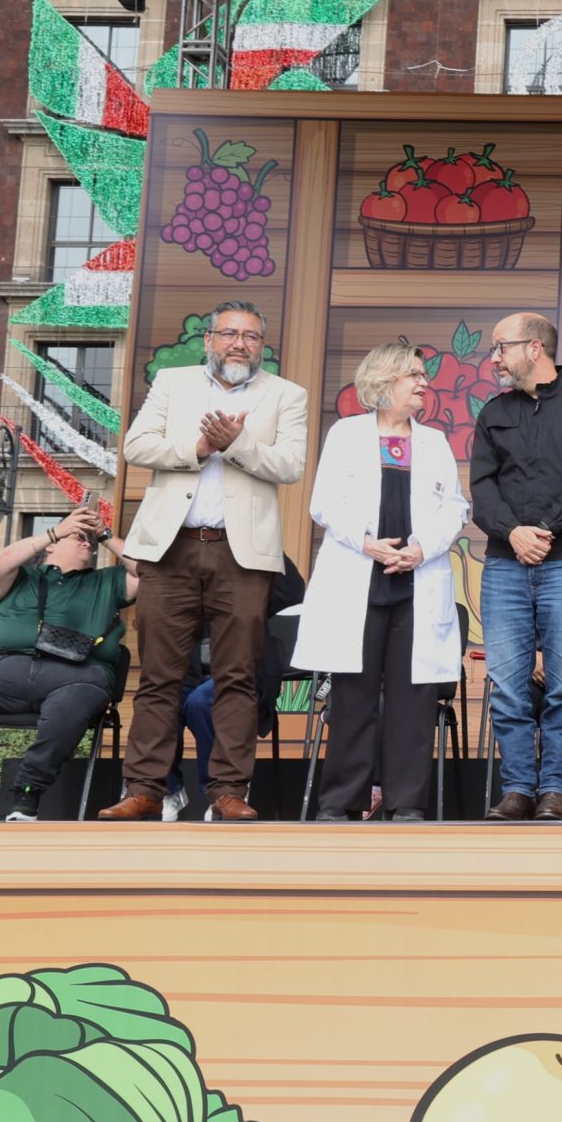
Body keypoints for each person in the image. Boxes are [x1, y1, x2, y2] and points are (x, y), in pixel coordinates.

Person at [104, 299, 310, 822]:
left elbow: (289, 465)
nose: (240, 343)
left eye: (252, 337)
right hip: (169, 547)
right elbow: (136, 445)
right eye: (230, 334)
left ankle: (227, 792)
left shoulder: (287, 395)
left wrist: (237, 443)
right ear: (209, 340)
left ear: (262, 346)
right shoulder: (174, 384)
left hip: (242, 556)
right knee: (158, 676)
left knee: (237, 677)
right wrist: (197, 446)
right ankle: (145, 788)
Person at [292, 342, 470, 823]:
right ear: (384, 380)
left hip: (416, 580)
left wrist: (421, 549)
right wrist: (367, 542)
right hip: (358, 577)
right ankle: (340, 801)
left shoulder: (433, 441)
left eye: (423, 375)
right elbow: (323, 503)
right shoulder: (347, 434)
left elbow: (455, 507)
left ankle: (405, 802)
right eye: (413, 374)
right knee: (353, 697)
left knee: (414, 700)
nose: (423, 383)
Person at [469, 311, 562, 822]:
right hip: (505, 564)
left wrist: (543, 532)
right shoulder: (493, 413)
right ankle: (517, 790)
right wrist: (513, 532)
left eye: (500, 348)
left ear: (535, 348)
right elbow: (482, 487)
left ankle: (553, 790)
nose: (494, 359)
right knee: (509, 685)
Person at [0, 506, 137, 822]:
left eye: (92, 541)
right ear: (51, 544)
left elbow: (149, 573)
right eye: (79, 537)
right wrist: (57, 530)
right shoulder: (22, 577)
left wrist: (104, 533)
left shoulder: (107, 581)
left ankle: (28, 791)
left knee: (71, 703)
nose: (88, 543)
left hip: (77, 675)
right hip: (3, 672)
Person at [162, 559, 305, 820]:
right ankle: (169, 790)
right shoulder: (188, 561)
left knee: (202, 701)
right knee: (161, 702)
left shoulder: (249, 565)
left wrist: (259, 544)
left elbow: (293, 591)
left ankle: (224, 792)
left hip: (244, 672)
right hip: (191, 672)